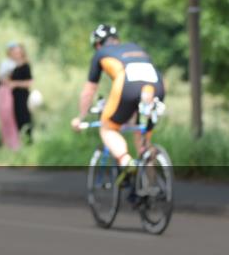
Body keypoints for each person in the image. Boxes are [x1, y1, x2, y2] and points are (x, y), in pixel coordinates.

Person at [71, 24, 165, 175]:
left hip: (128, 86)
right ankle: (150, 185)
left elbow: (89, 91)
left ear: (98, 44)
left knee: (107, 127)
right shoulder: (135, 47)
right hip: (156, 87)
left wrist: (80, 118)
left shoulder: (101, 53)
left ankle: (126, 162)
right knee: (142, 135)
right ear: (117, 40)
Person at [0, 43, 20, 151]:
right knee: (4, 118)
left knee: (10, 118)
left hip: (10, 92)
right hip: (3, 91)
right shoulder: (7, 63)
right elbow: (3, 79)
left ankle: (14, 145)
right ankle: (7, 145)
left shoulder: (17, 64)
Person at [8, 43, 34, 142]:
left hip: (23, 96)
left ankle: (29, 140)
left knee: (25, 117)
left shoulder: (25, 66)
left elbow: (29, 82)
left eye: (18, 52)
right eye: (14, 53)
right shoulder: (13, 67)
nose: (16, 54)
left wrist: (15, 84)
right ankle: (20, 141)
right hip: (14, 97)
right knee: (17, 118)